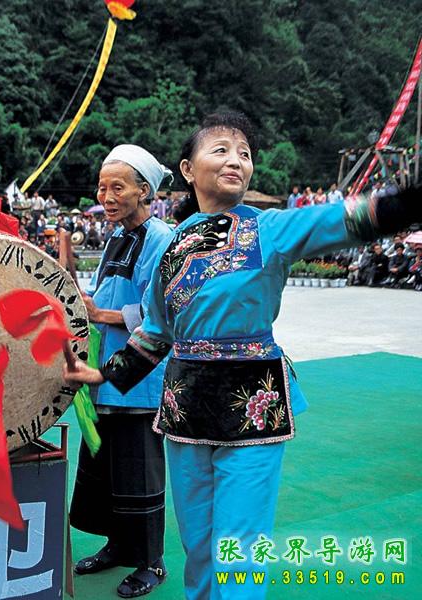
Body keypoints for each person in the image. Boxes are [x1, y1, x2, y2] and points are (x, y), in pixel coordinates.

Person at [64, 112, 421, 600]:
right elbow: (155, 333)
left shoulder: (269, 229)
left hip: (253, 406)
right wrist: (100, 375)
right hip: (185, 411)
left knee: (239, 549)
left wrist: (407, 202)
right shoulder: (172, 246)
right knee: (198, 547)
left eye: (245, 154)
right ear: (188, 170)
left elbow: (344, 219)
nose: (236, 160)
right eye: (221, 150)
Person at [70, 144, 173, 599]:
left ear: (144, 191)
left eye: (117, 187)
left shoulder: (162, 239)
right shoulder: (116, 235)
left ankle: (151, 561)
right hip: (105, 370)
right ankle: (117, 545)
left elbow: (161, 312)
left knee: (140, 471)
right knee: (109, 470)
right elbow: (106, 295)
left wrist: (101, 314)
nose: (106, 196)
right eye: (102, 187)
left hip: (141, 378)